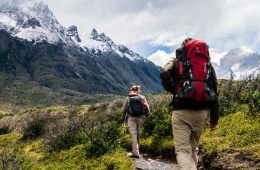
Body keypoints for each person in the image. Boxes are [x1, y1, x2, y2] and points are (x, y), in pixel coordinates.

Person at [160, 38, 219, 170]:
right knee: (193, 148)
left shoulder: (177, 62)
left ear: (184, 48)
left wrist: (173, 89)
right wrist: (214, 119)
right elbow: (214, 91)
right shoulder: (207, 65)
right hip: (202, 113)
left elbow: (164, 72)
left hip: (181, 111)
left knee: (182, 151)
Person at [122, 85, 150, 158]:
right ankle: (137, 151)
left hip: (131, 118)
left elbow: (123, 110)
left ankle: (135, 153)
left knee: (134, 135)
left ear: (131, 90)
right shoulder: (142, 97)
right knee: (138, 134)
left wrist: (123, 119)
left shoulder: (128, 98)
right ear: (138, 91)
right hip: (141, 118)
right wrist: (148, 117)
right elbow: (147, 107)